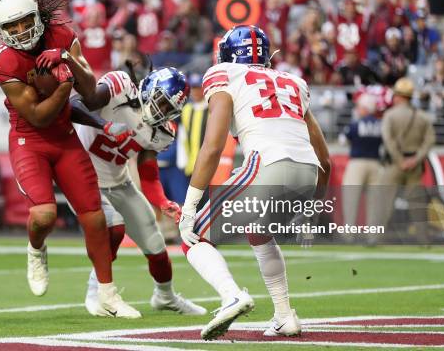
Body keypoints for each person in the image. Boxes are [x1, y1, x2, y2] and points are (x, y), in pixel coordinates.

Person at [0, 0, 139, 317]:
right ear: (1, 31)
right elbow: (39, 116)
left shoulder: (62, 35)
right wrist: (65, 84)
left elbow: (92, 91)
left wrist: (66, 58)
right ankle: (36, 249)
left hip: (66, 138)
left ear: (36, 17)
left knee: (96, 220)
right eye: (10, 27)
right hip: (31, 141)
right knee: (44, 216)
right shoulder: (2, 60)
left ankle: (108, 295)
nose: (18, 32)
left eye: (23, 22)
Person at [178, 25, 330, 340]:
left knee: (193, 237)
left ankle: (231, 296)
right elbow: (325, 159)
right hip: (308, 173)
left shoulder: (224, 74)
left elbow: (213, 146)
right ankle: (285, 316)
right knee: (258, 230)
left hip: (268, 166)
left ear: (228, 54)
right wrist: (313, 210)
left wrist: (189, 206)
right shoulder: (293, 82)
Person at [72, 67, 206, 317]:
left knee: (155, 244)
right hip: (81, 177)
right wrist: (104, 124)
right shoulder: (119, 87)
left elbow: (148, 173)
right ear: (148, 88)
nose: (162, 112)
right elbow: (74, 105)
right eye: (161, 103)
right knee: (114, 227)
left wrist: (163, 202)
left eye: (169, 110)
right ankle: (96, 293)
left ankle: (165, 297)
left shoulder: (163, 131)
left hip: (119, 181)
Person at [370, 78, 435, 244]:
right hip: (415, 165)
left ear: (399, 96)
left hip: (394, 164)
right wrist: (415, 159)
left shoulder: (390, 115)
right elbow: (429, 140)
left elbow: (388, 140)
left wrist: (400, 160)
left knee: (384, 202)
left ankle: (376, 238)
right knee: (417, 204)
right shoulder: (422, 117)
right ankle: (424, 240)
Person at [340, 93, 381, 240]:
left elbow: (342, 141)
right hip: (376, 163)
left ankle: (349, 233)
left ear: (364, 108)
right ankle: (373, 235)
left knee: (351, 198)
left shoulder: (356, 124)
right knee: (374, 202)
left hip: (357, 163)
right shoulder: (379, 124)